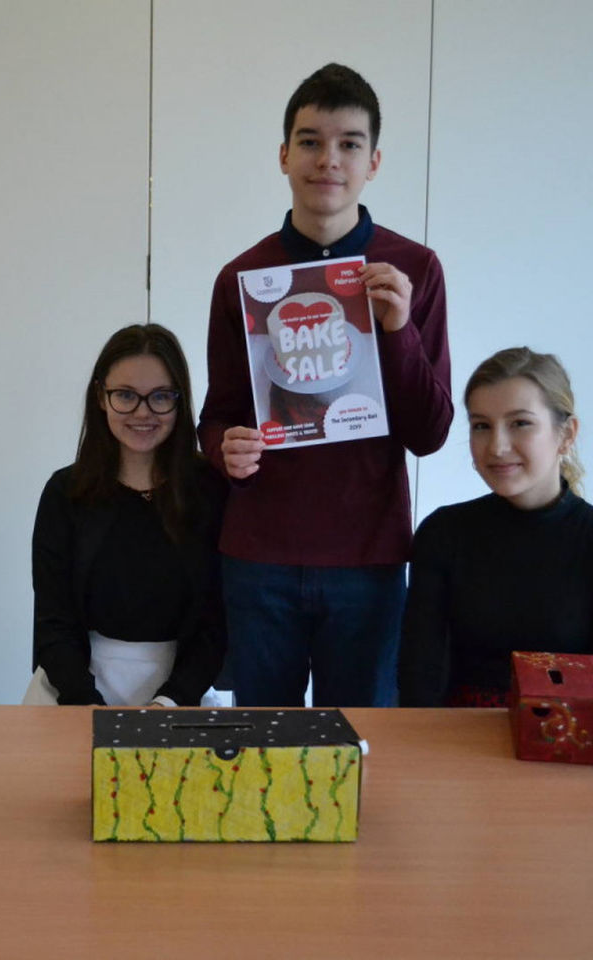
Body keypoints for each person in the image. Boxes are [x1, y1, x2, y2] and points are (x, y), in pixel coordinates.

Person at [198, 63, 452, 708]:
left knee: (363, 752)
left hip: (367, 557)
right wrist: (223, 450)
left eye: (349, 143)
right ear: (284, 155)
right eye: (310, 141)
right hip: (259, 557)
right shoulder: (243, 278)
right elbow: (215, 421)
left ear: (374, 160)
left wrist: (397, 331)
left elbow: (430, 433)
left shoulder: (413, 270)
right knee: (261, 754)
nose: (328, 159)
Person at [25, 323, 226, 706]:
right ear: (100, 397)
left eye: (161, 396)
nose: (142, 412)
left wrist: (168, 702)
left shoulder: (210, 490)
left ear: (180, 401)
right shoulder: (65, 492)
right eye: (125, 395)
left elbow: (217, 624)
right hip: (76, 688)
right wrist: (86, 703)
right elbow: (53, 620)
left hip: (183, 690)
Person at [399, 347, 593, 707]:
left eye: (520, 423)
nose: (498, 447)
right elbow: (419, 679)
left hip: (568, 745)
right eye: (481, 426)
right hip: (458, 742)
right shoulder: (444, 533)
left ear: (567, 434)